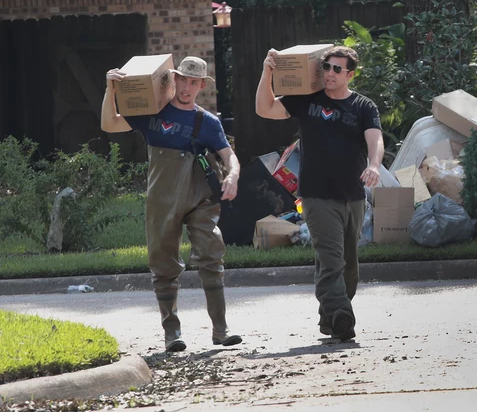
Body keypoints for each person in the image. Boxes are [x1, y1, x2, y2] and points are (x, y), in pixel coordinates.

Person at [101, 56, 242, 353]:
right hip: (162, 197)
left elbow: (229, 156)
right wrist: (110, 90)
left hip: (200, 196)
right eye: (183, 80)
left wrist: (233, 176)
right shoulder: (151, 113)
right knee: (163, 264)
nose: (187, 87)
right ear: (173, 80)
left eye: (194, 82)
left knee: (211, 255)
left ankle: (221, 329)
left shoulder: (207, 122)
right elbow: (109, 124)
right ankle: (172, 332)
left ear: (202, 85)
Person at [255, 45, 383, 342]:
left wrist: (375, 165)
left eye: (337, 69)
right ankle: (342, 316)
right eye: (326, 67)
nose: (330, 74)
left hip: (352, 196)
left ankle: (331, 320)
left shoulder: (364, 106)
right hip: (315, 196)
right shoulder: (305, 100)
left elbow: (374, 140)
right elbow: (265, 108)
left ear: (350, 74)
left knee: (349, 268)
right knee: (331, 260)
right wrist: (268, 71)